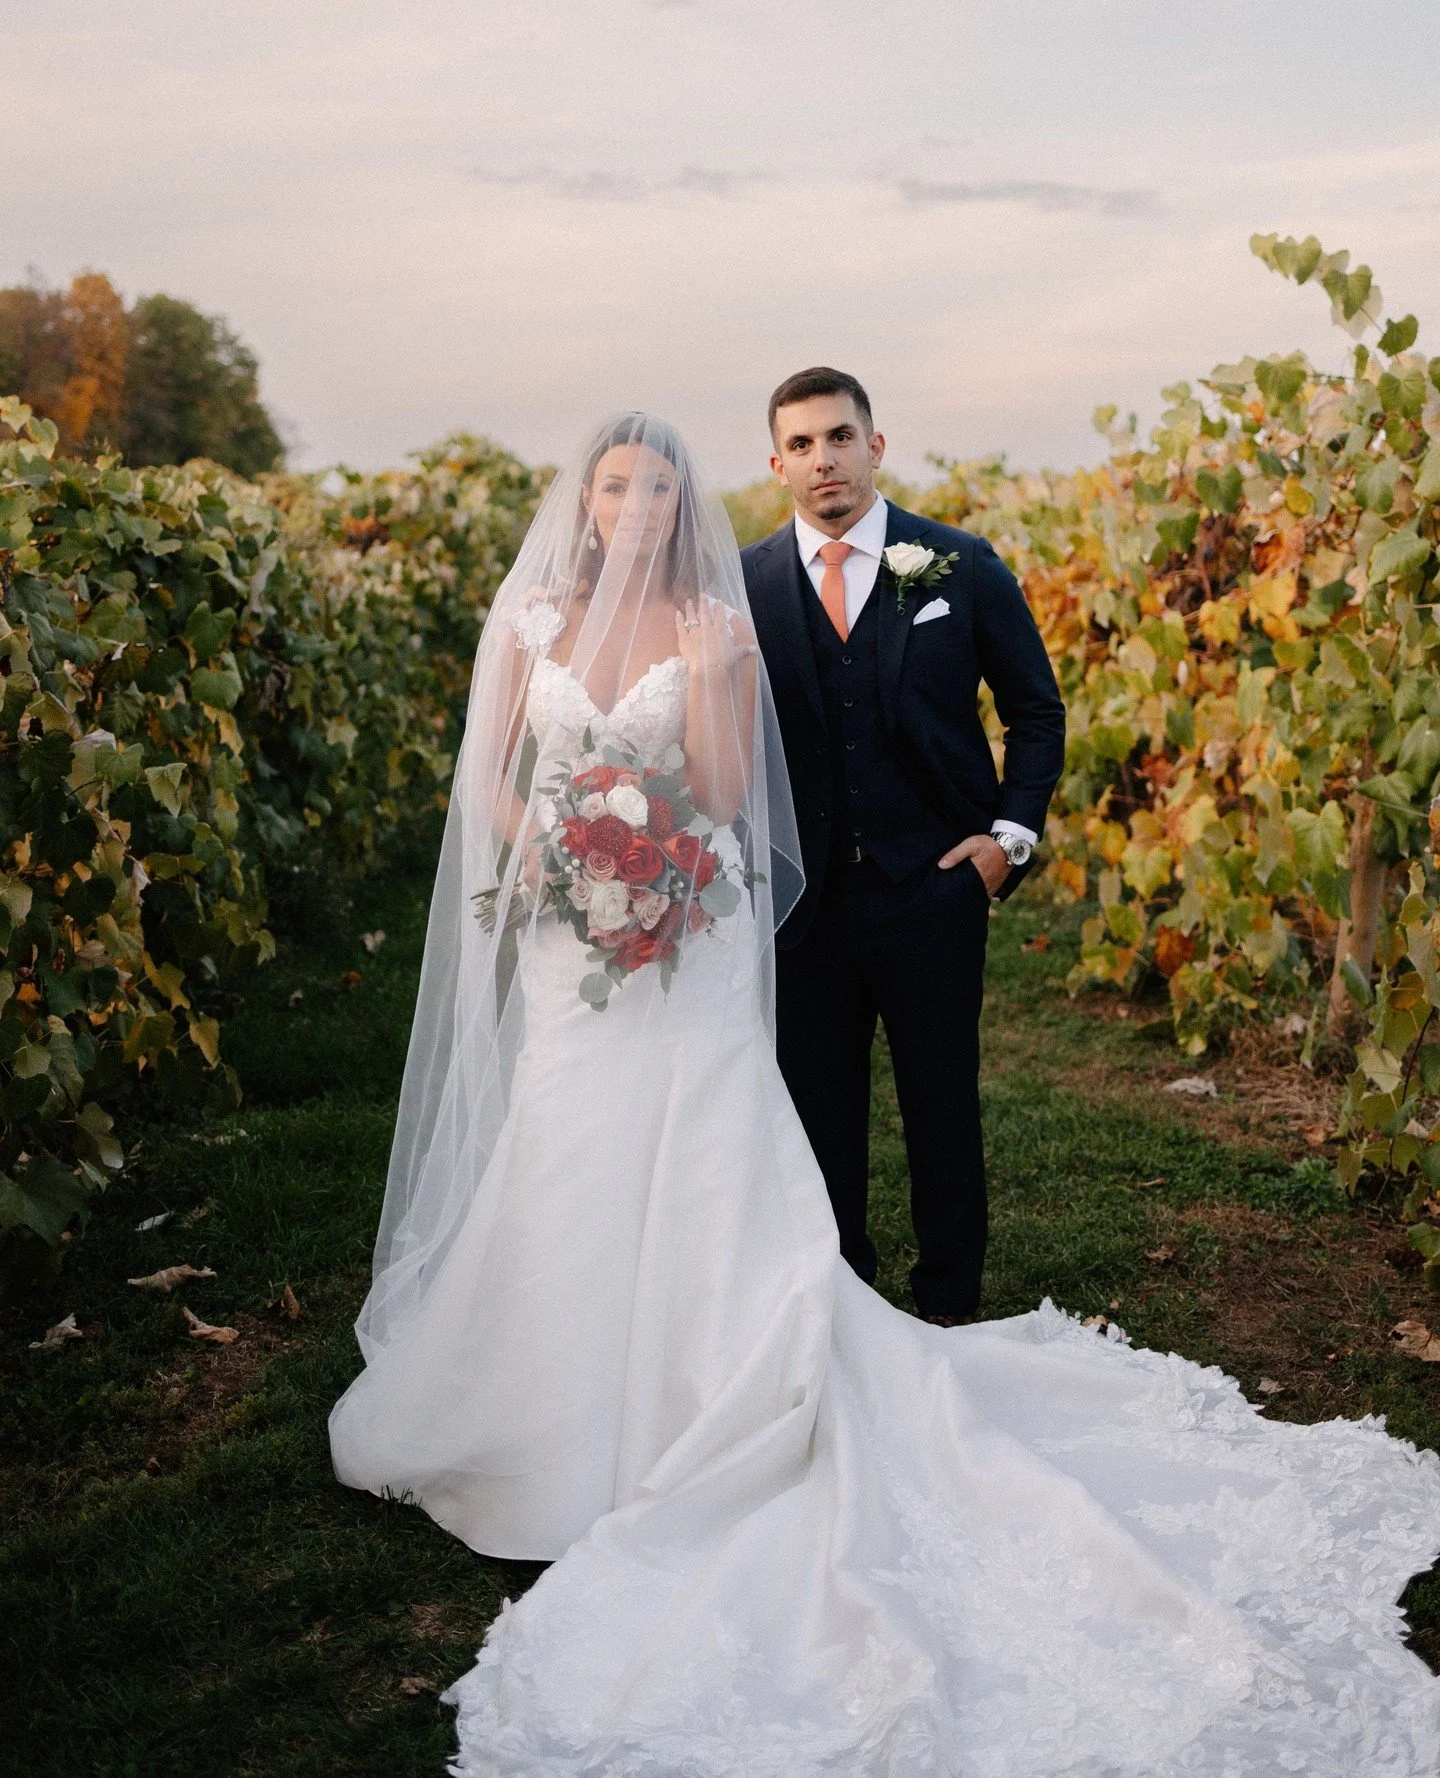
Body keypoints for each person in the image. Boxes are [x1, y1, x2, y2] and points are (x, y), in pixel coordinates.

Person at [330, 414, 1440, 1776]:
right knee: (567, 1141)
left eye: (659, 484)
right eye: (616, 484)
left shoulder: (719, 618)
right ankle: (545, 1393)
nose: (638, 503)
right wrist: (564, 852)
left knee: (718, 1140)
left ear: (689, 497)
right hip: (577, 931)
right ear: (589, 498)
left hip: (689, 915)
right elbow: (488, 780)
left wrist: (687, 771)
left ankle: (745, 1377)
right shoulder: (533, 618)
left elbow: (728, 790)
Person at [742, 366, 1066, 1324]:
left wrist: (1008, 841)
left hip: (932, 888)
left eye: (840, 437)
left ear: (874, 446)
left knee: (941, 1109)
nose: (824, 459)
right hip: (800, 906)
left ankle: (949, 1310)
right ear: (777, 464)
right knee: (818, 1120)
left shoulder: (957, 564)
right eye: (802, 444)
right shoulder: (744, 584)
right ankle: (843, 1313)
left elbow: (1036, 711)